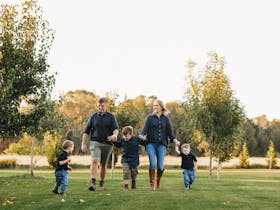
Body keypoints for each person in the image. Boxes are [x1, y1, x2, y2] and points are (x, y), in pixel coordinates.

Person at [139, 99, 180, 190]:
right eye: (154, 106)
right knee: (153, 164)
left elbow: (170, 133)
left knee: (160, 166)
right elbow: (144, 131)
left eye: (156, 105)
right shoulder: (150, 118)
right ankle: (152, 183)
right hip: (150, 144)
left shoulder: (165, 119)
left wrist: (175, 140)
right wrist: (142, 136)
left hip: (162, 144)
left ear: (161, 107)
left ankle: (157, 181)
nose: (154, 107)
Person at [81, 97, 119, 191]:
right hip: (95, 142)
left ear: (106, 106)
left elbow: (116, 129)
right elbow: (86, 131)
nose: (100, 107)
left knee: (103, 164)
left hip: (108, 144)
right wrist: (83, 144)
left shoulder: (111, 117)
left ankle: (101, 183)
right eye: (99, 106)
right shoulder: (93, 117)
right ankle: (93, 183)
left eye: (102, 106)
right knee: (94, 160)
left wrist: (115, 135)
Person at [110, 126, 146, 190]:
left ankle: (133, 181)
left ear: (130, 134)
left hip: (135, 159)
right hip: (125, 159)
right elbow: (118, 145)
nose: (125, 137)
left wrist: (143, 138)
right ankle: (125, 186)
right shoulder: (123, 140)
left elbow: (145, 143)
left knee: (134, 173)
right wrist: (113, 141)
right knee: (126, 172)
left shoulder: (136, 139)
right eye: (124, 136)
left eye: (126, 136)